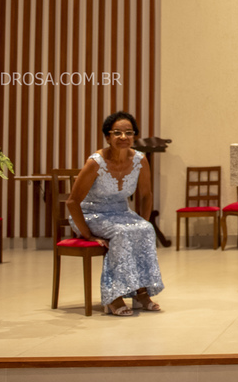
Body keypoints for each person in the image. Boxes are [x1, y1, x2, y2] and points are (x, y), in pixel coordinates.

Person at [65, 111, 165, 317]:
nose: (123, 137)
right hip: (91, 214)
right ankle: (113, 295)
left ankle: (141, 292)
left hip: (121, 213)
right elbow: (72, 202)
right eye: (117, 133)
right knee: (121, 232)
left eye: (129, 133)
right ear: (107, 137)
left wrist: (142, 223)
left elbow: (146, 195)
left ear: (134, 136)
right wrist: (87, 235)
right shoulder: (96, 162)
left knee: (146, 229)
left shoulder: (140, 160)